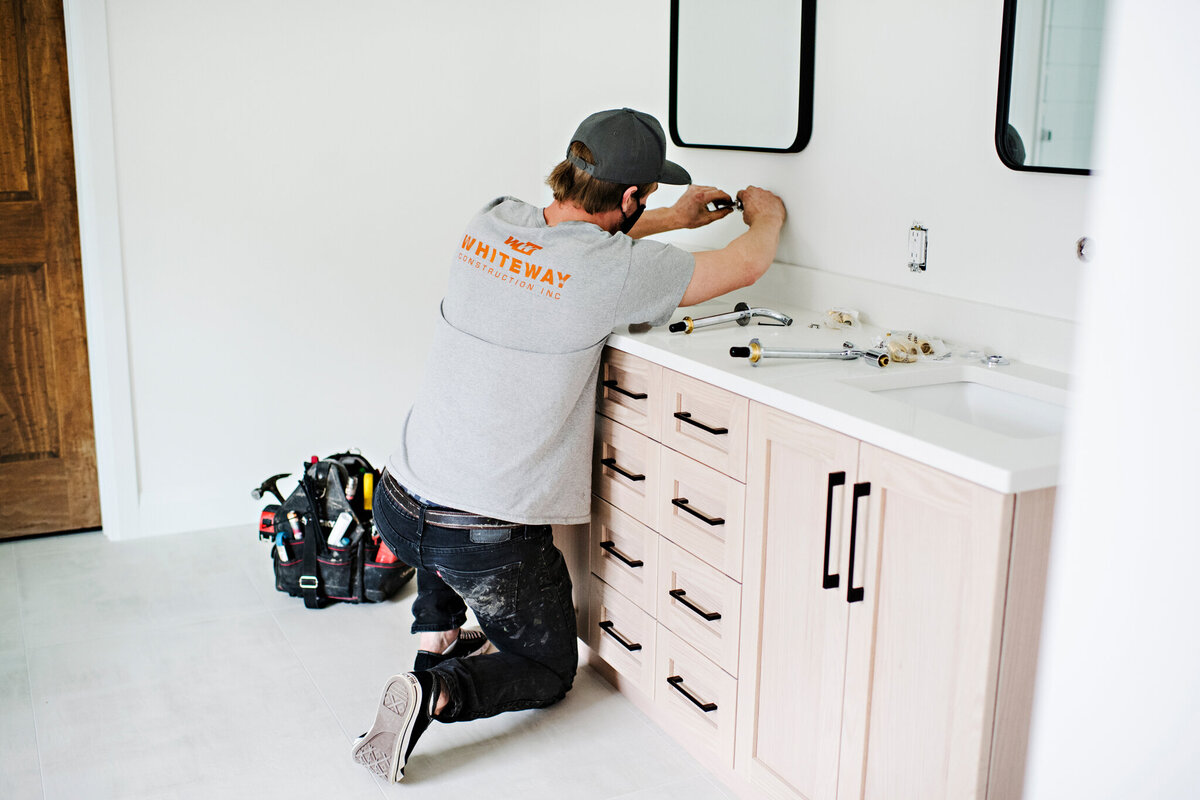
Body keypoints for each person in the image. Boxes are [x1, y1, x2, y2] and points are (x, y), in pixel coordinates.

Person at [352, 107, 786, 783]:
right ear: (632, 197)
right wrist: (767, 213)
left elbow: (578, 248)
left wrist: (674, 219)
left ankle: (434, 633)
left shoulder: (492, 219)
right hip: (483, 538)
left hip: (401, 504)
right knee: (551, 668)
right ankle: (441, 692)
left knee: (453, 478)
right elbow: (746, 265)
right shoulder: (612, 275)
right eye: (648, 198)